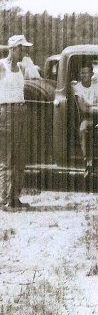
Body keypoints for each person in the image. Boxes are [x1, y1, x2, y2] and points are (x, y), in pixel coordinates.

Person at [0, 35, 33, 210]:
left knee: (20, 159)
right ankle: (4, 200)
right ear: (13, 49)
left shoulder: (22, 67)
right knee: (6, 159)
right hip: (5, 112)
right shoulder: (1, 66)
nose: (24, 52)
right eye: (22, 49)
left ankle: (15, 198)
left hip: (21, 111)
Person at [72, 62, 98, 177]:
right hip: (87, 117)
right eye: (82, 73)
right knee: (83, 129)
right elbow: (83, 109)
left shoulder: (97, 86)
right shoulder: (77, 88)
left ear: (92, 74)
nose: (83, 75)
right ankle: (88, 162)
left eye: (86, 73)